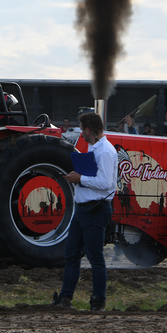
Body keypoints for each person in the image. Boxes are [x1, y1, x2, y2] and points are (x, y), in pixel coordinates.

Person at [53, 112, 117, 311]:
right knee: (71, 253)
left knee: (95, 256)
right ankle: (65, 298)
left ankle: (98, 302)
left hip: (95, 210)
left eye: (82, 129)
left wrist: (79, 178)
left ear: (89, 130)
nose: (81, 133)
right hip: (85, 209)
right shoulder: (95, 147)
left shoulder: (104, 151)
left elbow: (106, 183)